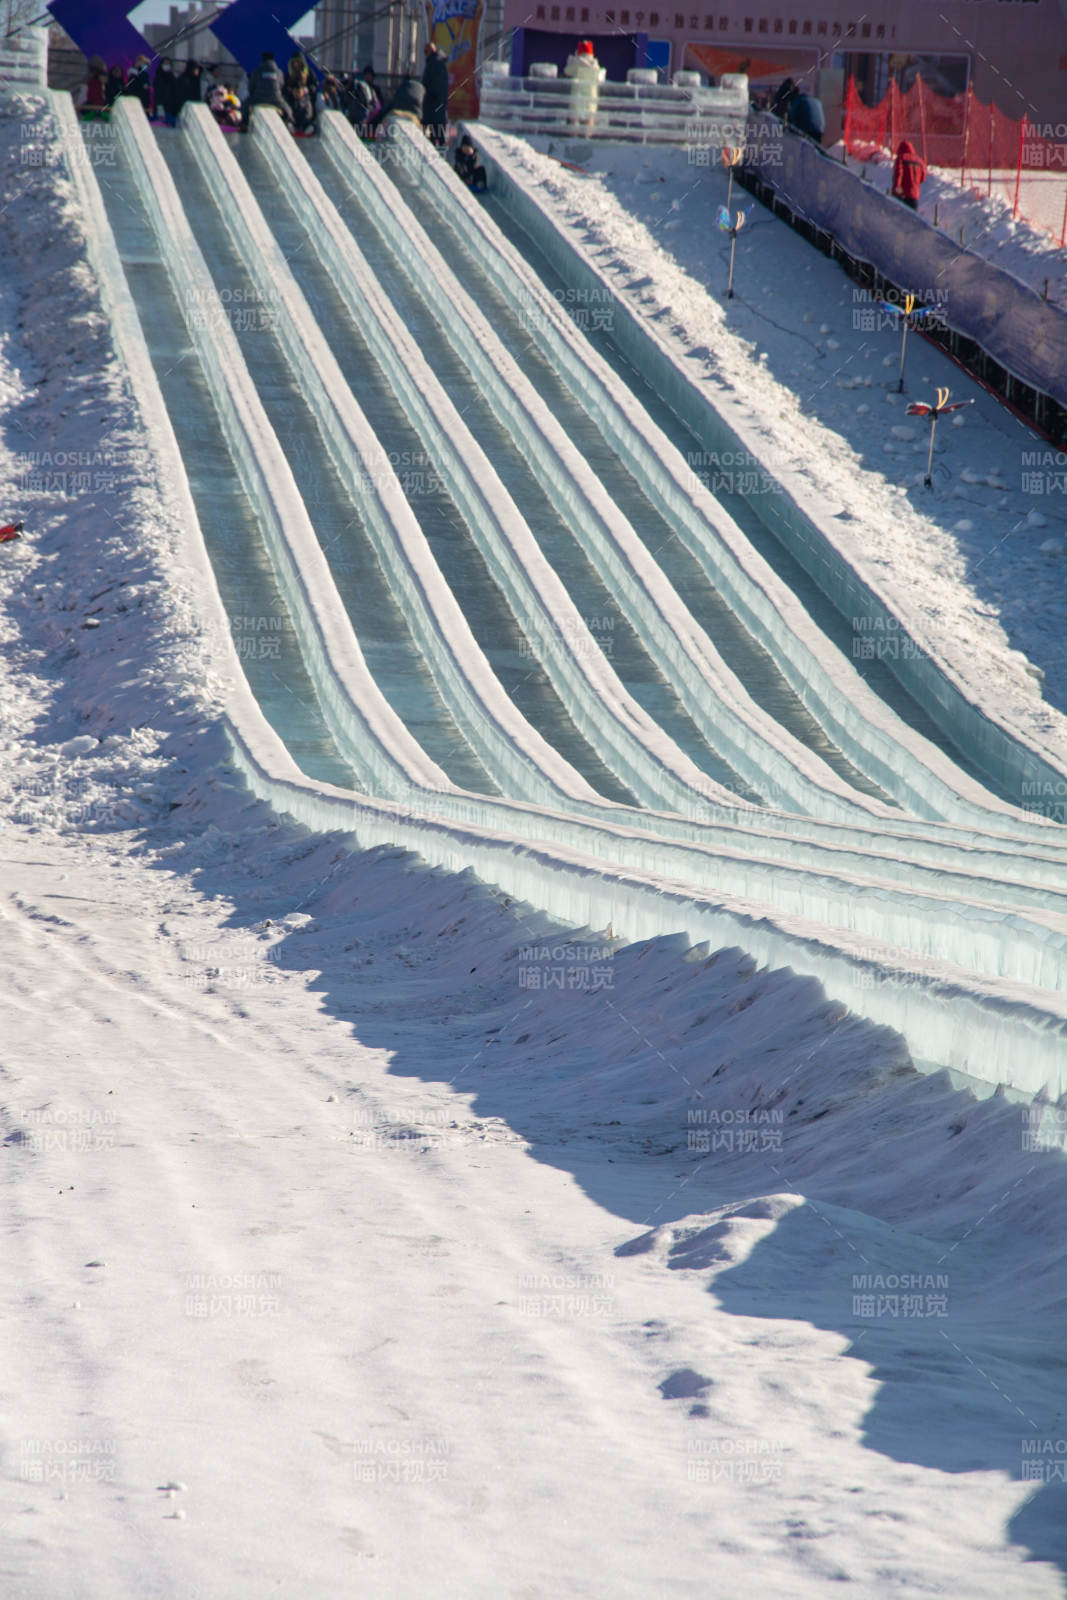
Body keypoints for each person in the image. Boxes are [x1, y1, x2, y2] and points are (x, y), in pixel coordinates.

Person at [242, 51, 293, 131]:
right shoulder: (279, 72)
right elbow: (281, 85)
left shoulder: (256, 71)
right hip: (276, 100)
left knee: (245, 105)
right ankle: (289, 123)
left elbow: (251, 87)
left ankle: (244, 124)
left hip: (258, 99)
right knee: (288, 110)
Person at [421, 39, 449, 147]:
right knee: (438, 138)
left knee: (436, 140)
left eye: (426, 51)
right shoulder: (438, 62)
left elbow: (434, 88)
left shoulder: (435, 63)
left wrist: (427, 94)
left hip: (434, 108)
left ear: (431, 51)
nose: (425, 55)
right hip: (438, 109)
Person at [284, 53, 316, 134]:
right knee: (290, 107)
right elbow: (284, 87)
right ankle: (291, 123)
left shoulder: (309, 73)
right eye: (295, 62)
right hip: (292, 97)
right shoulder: (289, 74)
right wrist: (292, 91)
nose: (296, 64)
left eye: (298, 62)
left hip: (305, 97)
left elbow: (314, 86)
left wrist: (306, 90)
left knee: (307, 107)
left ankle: (307, 125)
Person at [892, 138, 927, 211]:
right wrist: (914, 183)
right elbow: (923, 178)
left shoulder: (901, 158)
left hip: (902, 194)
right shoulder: (920, 161)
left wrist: (897, 189)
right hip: (914, 195)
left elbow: (898, 174)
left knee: (899, 216)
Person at [152, 58, 181, 124]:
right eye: (165, 63)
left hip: (171, 108)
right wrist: (159, 105)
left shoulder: (172, 78)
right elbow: (157, 93)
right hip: (161, 106)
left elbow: (175, 93)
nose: (167, 65)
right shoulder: (158, 77)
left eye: (168, 64)